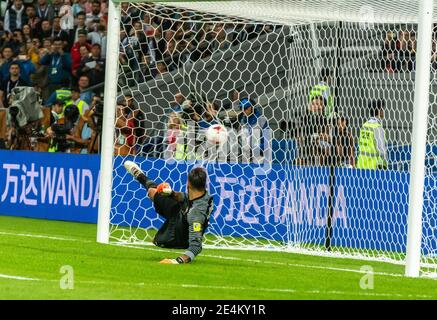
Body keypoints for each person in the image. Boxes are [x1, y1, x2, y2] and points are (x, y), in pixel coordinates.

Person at [124, 161, 214, 264]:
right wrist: (170, 193)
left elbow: (196, 247)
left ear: (188, 183)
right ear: (204, 184)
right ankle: (139, 174)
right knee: (155, 191)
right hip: (181, 214)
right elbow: (185, 198)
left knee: (161, 199)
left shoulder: (196, 215)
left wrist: (176, 261)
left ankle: (161, 237)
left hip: (177, 238)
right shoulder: (203, 196)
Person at [357, 99, 388, 170]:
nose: (383, 112)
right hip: (372, 168)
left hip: (360, 165)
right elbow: (381, 150)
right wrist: (384, 167)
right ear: (379, 111)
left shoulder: (364, 126)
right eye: (383, 109)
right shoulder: (377, 127)